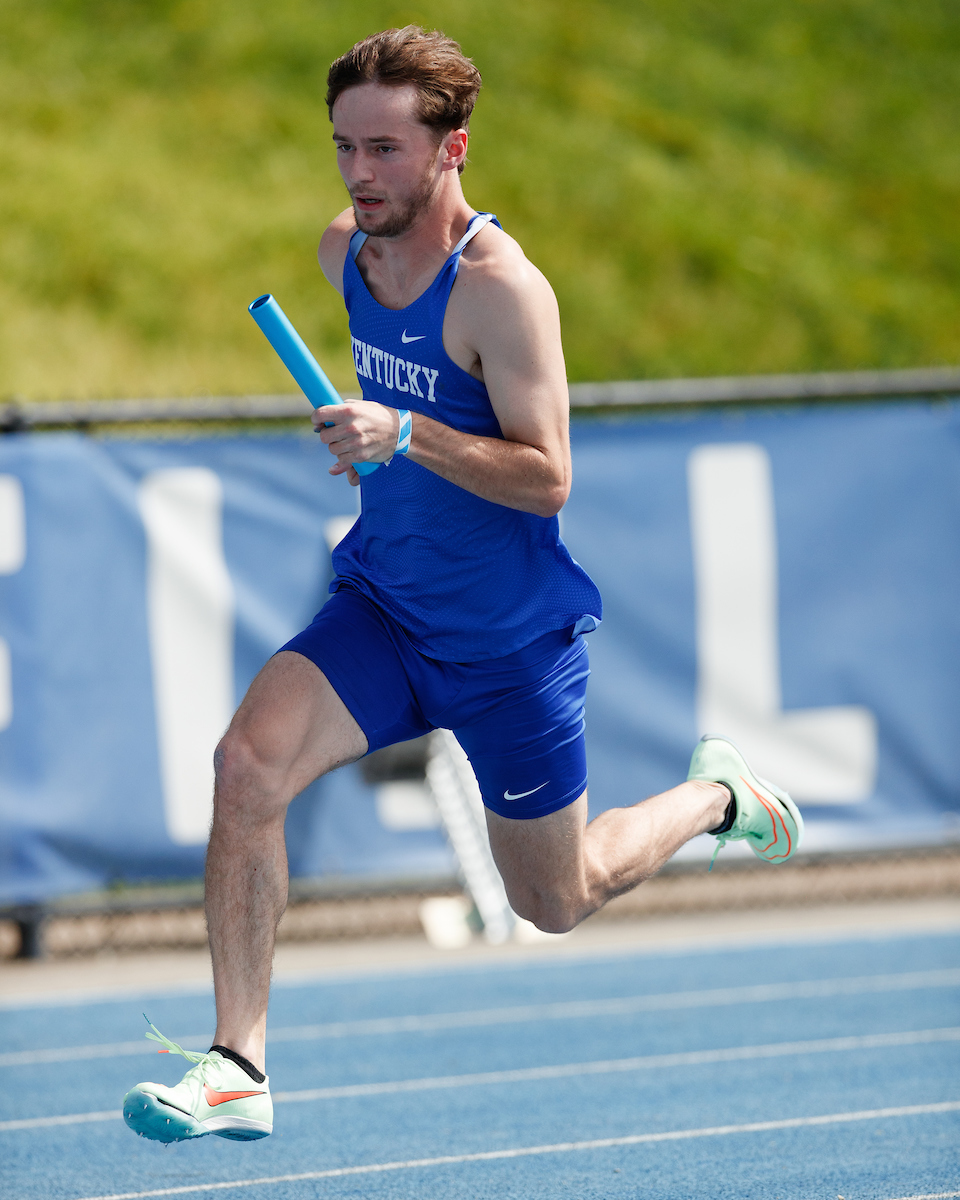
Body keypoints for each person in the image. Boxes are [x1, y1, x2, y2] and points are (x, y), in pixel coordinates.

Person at [122, 25, 803, 1145]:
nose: (357, 175)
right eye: (344, 146)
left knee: (558, 898)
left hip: (506, 648)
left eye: (385, 150)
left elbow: (547, 478)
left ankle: (718, 797)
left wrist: (405, 433)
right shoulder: (348, 250)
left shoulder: (502, 289)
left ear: (453, 149)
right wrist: (370, 442)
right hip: (387, 608)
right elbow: (387, 411)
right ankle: (238, 1060)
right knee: (246, 769)